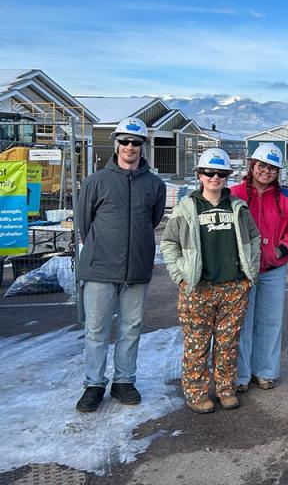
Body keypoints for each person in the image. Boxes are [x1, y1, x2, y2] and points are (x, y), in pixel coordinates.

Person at [75, 117, 166, 412]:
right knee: (96, 329)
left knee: (131, 327)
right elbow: (83, 224)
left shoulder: (154, 185)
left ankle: (124, 381)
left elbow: (151, 221)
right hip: (100, 268)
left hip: (136, 269)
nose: (130, 147)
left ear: (143, 146)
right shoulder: (95, 182)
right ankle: (94, 384)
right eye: (125, 141)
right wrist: (104, 248)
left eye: (136, 142)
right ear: (116, 143)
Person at [161, 148, 261, 413]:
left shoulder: (238, 207)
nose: (214, 177)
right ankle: (196, 392)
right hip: (198, 287)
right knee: (197, 343)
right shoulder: (187, 208)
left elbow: (253, 239)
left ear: (227, 176)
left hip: (233, 287)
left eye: (220, 173)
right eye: (209, 172)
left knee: (228, 343)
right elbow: (169, 243)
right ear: (200, 175)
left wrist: (249, 273)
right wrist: (179, 276)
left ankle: (226, 388)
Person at [232, 143, 288, 393]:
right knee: (242, 322)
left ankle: (264, 371)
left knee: (270, 321)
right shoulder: (234, 195)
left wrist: (282, 248)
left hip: (273, 270)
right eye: (262, 166)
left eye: (272, 168)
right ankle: (241, 375)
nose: (266, 172)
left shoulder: (283, 201)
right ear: (252, 166)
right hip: (243, 269)